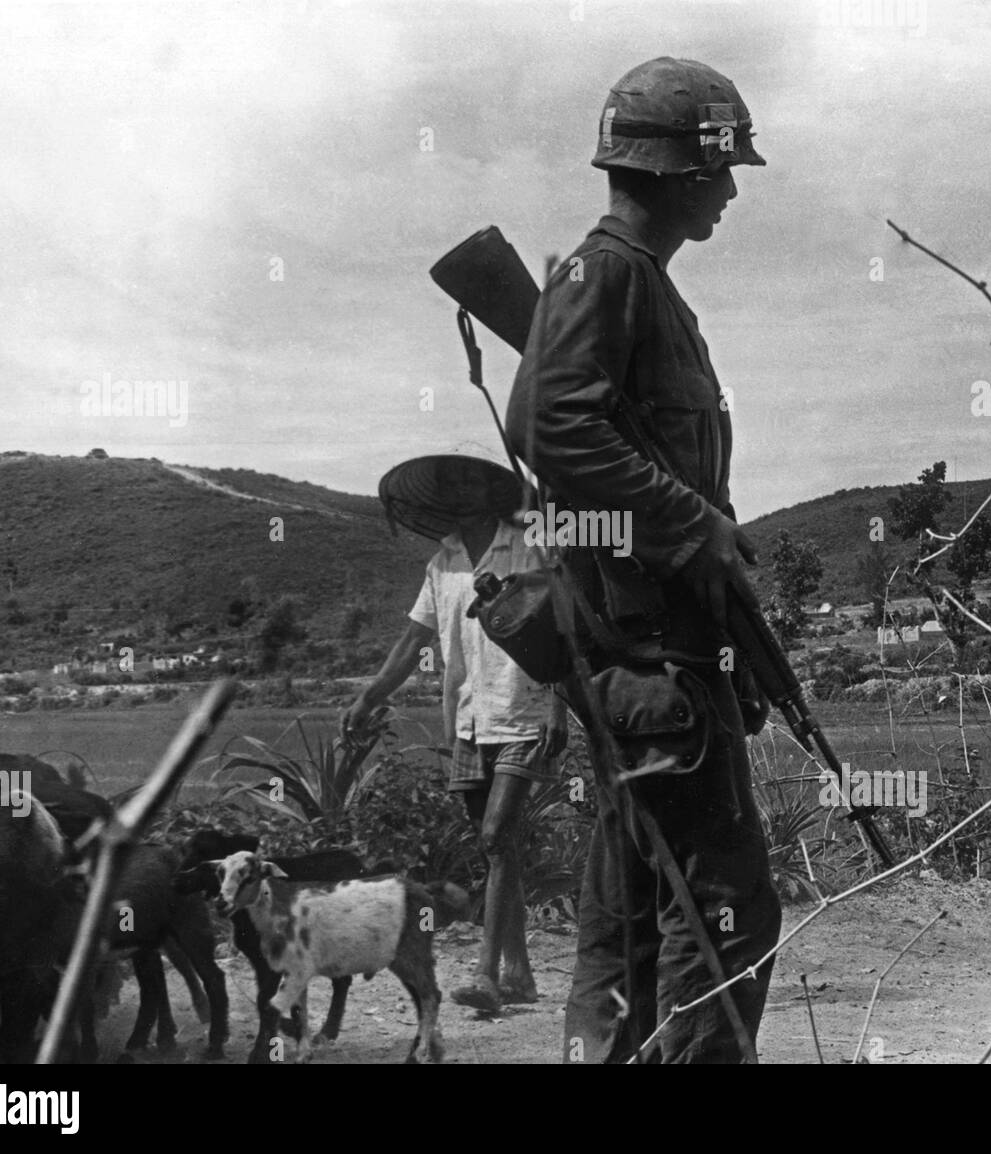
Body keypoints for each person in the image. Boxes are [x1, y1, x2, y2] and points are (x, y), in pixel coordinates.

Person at [504, 57, 781, 1063]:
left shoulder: (635, 283)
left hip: (647, 660)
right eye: (721, 167)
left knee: (628, 915)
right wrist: (692, 523)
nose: (733, 188)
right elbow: (550, 421)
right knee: (723, 916)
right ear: (674, 171)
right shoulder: (611, 274)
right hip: (651, 662)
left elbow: (590, 433)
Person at [341, 454, 568, 1014]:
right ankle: (520, 973)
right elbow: (413, 641)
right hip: (467, 716)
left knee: (495, 838)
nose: (464, 490)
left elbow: (566, 626)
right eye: (453, 482)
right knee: (499, 848)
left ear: (496, 489)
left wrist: (559, 706)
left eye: (474, 478)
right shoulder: (442, 565)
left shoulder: (531, 546)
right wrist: (370, 695)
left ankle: (488, 975)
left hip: (526, 707)